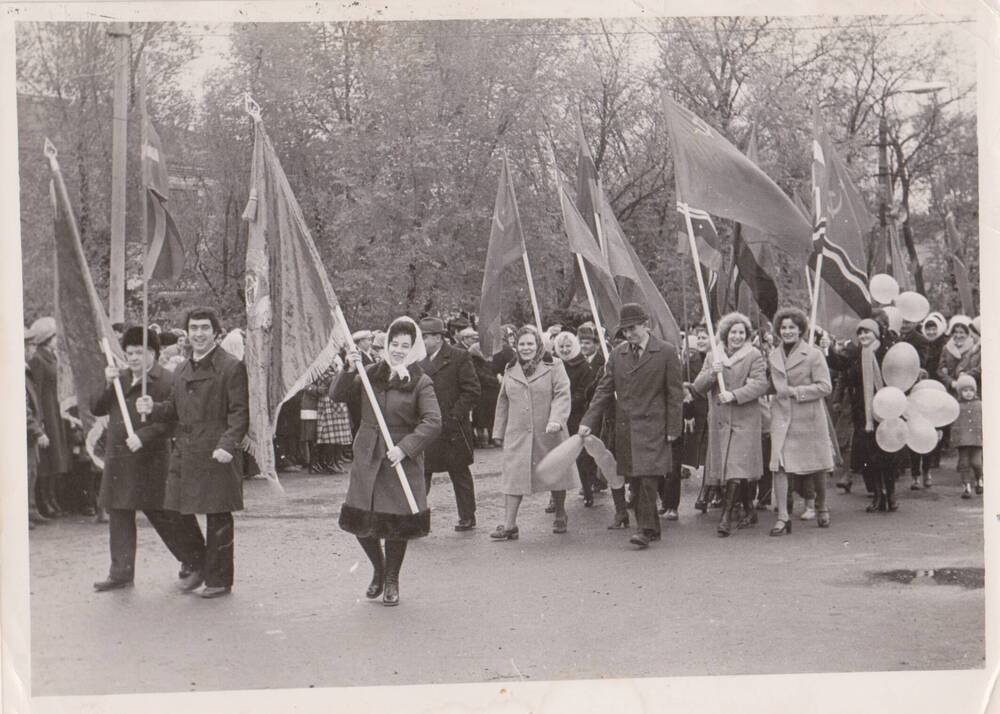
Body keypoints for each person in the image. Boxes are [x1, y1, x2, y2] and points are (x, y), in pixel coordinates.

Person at [136, 307, 250, 598]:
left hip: (216, 450)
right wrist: (154, 408)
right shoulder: (183, 367)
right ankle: (199, 563)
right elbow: (173, 409)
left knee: (217, 515)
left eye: (204, 328)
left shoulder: (231, 366)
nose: (198, 334)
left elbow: (239, 414)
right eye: (194, 328)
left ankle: (219, 580)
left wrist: (227, 445)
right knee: (171, 508)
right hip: (185, 451)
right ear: (187, 333)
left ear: (216, 332)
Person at [333, 317, 441, 606]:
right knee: (359, 518)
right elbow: (337, 395)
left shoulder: (421, 381)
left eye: (405, 346)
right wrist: (347, 368)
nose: (398, 350)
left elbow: (433, 421)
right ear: (387, 344)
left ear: (413, 347)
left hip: (399, 458)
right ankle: (378, 569)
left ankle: (392, 578)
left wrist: (406, 448)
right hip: (368, 454)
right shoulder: (369, 373)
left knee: (396, 523)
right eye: (394, 344)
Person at [91, 327, 207, 592]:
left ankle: (194, 561)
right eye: (129, 353)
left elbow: (173, 420)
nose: (133, 358)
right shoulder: (118, 378)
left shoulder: (166, 380)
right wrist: (108, 384)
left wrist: (144, 435)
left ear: (152, 353)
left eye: (139, 352)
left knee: (165, 515)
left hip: (151, 459)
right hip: (119, 459)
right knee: (119, 514)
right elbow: (96, 407)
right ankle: (120, 572)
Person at [577, 303, 683, 549]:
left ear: (646, 325)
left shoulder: (666, 352)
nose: (629, 334)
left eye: (633, 328)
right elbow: (604, 390)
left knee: (647, 478)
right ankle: (652, 527)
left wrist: (673, 429)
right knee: (635, 480)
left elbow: (674, 394)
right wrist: (588, 421)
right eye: (624, 330)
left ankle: (644, 530)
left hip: (654, 427)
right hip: (626, 428)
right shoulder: (618, 355)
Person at [491, 326, 577, 539]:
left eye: (530, 343)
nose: (526, 348)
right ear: (516, 346)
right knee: (513, 477)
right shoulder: (511, 368)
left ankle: (560, 513)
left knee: (554, 473)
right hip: (518, 433)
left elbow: (562, 394)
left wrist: (556, 419)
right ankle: (509, 525)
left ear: (538, 344)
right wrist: (498, 431)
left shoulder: (554, 365)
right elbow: (503, 401)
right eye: (522, 344)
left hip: (548, 430)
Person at [692, 313, 769, 536]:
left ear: (747, 335)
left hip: (746, 419)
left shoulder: (754, 355)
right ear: (726, 333)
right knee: (734, 467)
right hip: (720, 420)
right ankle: (749, 509)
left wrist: (735, 394)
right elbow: (698, 386)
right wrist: (711, 373)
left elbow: (760, 384)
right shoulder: (713, 355)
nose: (737, 336)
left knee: (735, 466)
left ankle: (725, 517)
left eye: (741, 332)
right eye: (733, 332)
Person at [767, 308, 835, 535]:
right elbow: (772, 384)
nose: (787, 332)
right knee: (779, 465)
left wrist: (796, 391)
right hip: (781, 416)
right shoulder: (773, 355)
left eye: (792, 328)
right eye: (783, 328)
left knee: (816, 465)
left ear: (801, 330)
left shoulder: (814, 355)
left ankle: (822, 506)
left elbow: (825, 386)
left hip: (808, 418)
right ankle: (783, 517)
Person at [826, 318, 902, 513]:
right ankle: (878, 495)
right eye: (860, 333)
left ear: (876, 333)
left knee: (888, 455)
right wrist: (830, 350)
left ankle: (891, 495)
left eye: (867, 332)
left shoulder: (887, 352)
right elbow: (840, 365)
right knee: (870, 458)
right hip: (863, 413)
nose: (863, 336)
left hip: (887, 410)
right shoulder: (855, 354)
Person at [418, 317, 481, 531]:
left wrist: (454, 416)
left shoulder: (459, 356)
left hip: (453, 428)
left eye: (425, 337)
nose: (422, 341)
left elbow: (472, 390)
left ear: (438, 337)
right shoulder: (418, 360)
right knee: (421, 474)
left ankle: (467, 516)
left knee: (459, 473)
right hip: (426, 426)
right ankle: (415, 517)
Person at [28, 317, 72, 518]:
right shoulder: (38, 359)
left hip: (55, 409)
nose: (57, 340)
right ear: (47, 338)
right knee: (47, 458)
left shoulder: (52, 357)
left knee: (56, 456)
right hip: (46, 411)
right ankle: (44, 499)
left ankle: (52, 496)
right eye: (54, 336)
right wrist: (41, 419)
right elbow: (35, 389)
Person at [552, 331, 600, 506]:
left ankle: (587, 491)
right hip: (556, 415)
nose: (564, 350)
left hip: (576, 414)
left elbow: (584, 391)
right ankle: (555, 498)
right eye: (561, 347)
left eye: (568, 346)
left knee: (580, 457)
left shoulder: (583, 366)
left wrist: (565, 402)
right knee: (556, 456)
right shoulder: (553, 365)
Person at [458, 326, 500, 448]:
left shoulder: (483, 359)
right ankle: (482, 441)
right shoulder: (473, 358)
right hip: (482, 393)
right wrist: (495, 380)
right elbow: (480, 375)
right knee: (481, 419)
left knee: (488, 417)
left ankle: (489, 439)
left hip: (489, 393)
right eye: (473, 338)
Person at [25, 325, 49, 528]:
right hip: (25, 434)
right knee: (26, 471)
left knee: (32, 471)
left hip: (29, 433)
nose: (33, 349)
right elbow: (23, 407)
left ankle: (30, 510)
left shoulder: (26, 369)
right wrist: (36, 429)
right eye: (30, 345)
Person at [952, 374, 982, 499]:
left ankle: (979, 479)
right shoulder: (956, 406)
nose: (968, 393)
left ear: (975, 391)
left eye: (971, 390)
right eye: (965, 390)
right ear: (960, 392)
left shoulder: (980, 404)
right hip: (962, 440)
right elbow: (953, 424)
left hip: (977, 439)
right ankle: (967, 487)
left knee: (977, 463)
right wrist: (954, 438)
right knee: (964, 464)